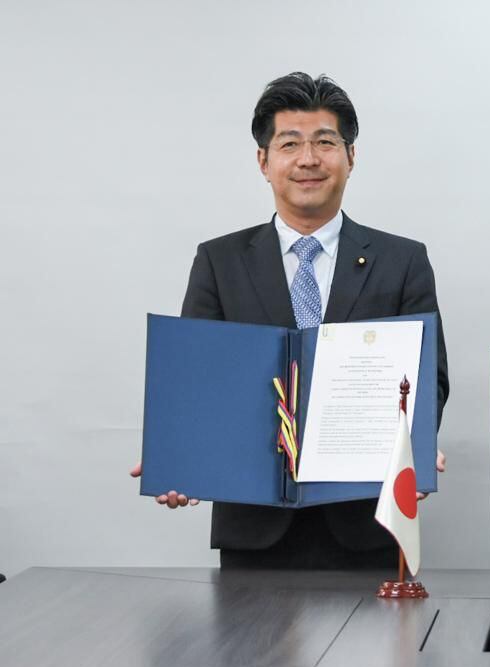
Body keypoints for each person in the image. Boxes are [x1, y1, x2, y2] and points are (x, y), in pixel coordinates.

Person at [130, 72, 449, 569]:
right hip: (253, 528)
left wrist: (419, 444)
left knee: (378, 649)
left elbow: (431, 379)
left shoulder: (402, 260)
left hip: (368, 522)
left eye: (325, 142)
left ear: (351, 156)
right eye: (290, 143)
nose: (308, 159)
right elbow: (198, 381)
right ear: (264, 160)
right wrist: (183, 455)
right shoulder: (219, 260)